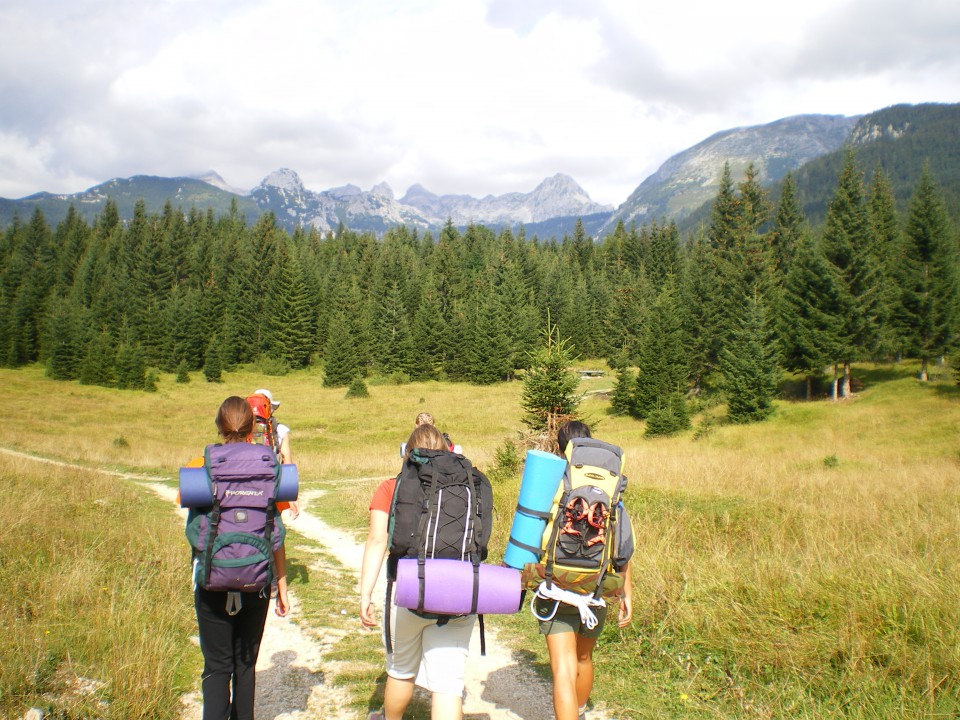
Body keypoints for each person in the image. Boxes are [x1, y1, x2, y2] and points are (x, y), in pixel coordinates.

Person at [359, 423, 477, 720]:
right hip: (461, 591)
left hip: (410, 589)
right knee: (448, 686)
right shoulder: (468, 484)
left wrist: (365, 594)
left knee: (401, 671)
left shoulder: (391, 486)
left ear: (407, 453)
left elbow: (376, 541)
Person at [189, 396, 290, 720]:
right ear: (253, 427)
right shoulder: (269, 464)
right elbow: (276, 532)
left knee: (217, 668)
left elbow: (193, 530)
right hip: (257, 579)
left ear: (220, 426)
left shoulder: (204, 463)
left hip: (212, 581)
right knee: (246, 666)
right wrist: (282, 586)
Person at [537, 420, 633, 720]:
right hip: (597, 589)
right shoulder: (611, 490)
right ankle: (578, 712)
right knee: (583, 658)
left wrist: (521, 578)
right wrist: (627, 595)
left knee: (562, 668)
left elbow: (531, 536)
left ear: (561, 448)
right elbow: (623, 551)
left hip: (556, 587)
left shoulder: (554, 485)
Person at [253, 388, 299, 519]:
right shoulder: (280, 430)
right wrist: (291, 497)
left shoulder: (242, 428)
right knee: (272, 526)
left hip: (245, 489)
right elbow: (287, 462)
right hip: (272, 486)